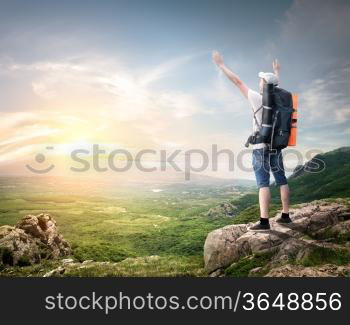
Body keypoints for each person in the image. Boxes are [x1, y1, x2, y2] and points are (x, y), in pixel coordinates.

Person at [212, 51, 292, 230]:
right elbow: (276, 86)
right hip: (276, 145)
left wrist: (221, 65)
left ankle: (264, 222)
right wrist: (276, 72)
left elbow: (237, 82)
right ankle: (286, 215)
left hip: (260, 147)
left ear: (264, 84)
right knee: (281, 179)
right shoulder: (281, 101)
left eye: (261, 80)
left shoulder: (257, 98)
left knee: (263, 184)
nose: (259, 81)